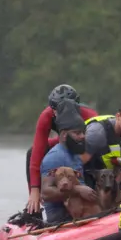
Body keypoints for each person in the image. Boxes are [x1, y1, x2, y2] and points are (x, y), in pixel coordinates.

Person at [26, 84, 98, 215]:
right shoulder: (47, 116)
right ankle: (34, 206)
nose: (57, 113)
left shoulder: (88, 115)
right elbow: (38, 151)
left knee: (94, 157)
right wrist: (35, 190)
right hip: (63, 141)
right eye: (55, 110)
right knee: (32, 152)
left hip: (83, 142)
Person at [40, 100, 97, 223]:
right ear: (65, 135)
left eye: (83, 132)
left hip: (82, 212)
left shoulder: (75, 153)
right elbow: (45, 193)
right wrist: (78, 189)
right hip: (61, 217)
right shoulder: (55, 156)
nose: (82, 136)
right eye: (77, 133)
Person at [82, 100, 121, 190]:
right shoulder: (98, 133)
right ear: (118, 117)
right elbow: (77, 163)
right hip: (89, 176)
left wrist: (115, 188)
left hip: (109, 177)